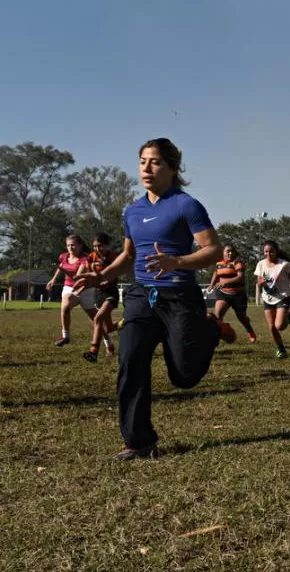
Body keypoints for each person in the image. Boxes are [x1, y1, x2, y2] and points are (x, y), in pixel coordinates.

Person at [74, 137, 236, 460]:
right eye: (142, 161)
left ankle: (211, 329)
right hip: (141, 296)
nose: (146, 168)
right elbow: (129, 255)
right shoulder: (132, 211)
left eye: (155, 162)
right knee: (130, 359)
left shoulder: (186, 205)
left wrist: (176, 262)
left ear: (172, 168)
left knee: (184, 376)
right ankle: (140, 440)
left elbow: (213, 250)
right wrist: (101, 276)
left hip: (179, 296)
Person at [46, 234, 103, 349]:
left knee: (95, 319)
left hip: (85, 289)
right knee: (65, 305)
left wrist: (63, 270)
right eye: (68, 245)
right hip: (69, 288)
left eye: (73, 245)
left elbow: (77, 277)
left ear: (80, 246)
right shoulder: (64, 256)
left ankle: (108, 342)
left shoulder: (85, 259)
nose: (70, 248)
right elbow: (61, 266)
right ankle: (65, 336)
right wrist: (53, 279)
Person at [254, 240, 290, 358]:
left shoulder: (284, 264)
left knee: (279, 326)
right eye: (266, 252)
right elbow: (259, 283)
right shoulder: (261, 264)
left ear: (276, 252)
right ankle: (280, 349)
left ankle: (288, 316)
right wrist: (261, 283)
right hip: (267, 298)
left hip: (282, 296)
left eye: (271, 252)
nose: (268, 254)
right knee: (271, 327)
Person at [82, 233, 121, 362]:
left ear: (107, 245)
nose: (97, 249)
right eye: (94, 246)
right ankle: (125, 321)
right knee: (108, 328)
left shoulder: (114, 256)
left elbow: (116, 271)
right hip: (98, 293)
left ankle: (94, 351)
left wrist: (108, 279)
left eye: (100, 246)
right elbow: (88, 274)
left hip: (111, 293)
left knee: (97, 319)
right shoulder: (91, 257)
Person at [208, 244, 258, 343]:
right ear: (223, 252)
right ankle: (217, 337)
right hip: (223, 293)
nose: (230, 253)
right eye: (228, 251)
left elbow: (240, 277)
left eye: (232, 251)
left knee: (242, 318)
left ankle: (250, 331)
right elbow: (216, 273)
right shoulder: (219, 262)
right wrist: (212, 284)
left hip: (238, 295)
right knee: (218, 316)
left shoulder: (238, 262)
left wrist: (225, 282)